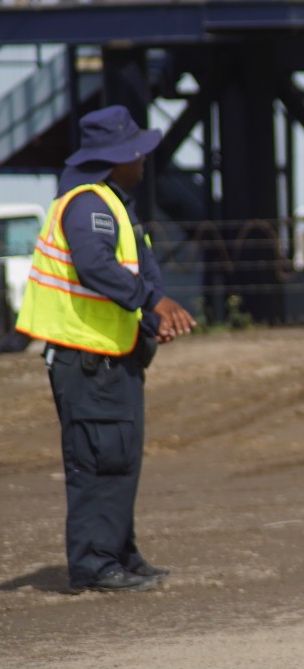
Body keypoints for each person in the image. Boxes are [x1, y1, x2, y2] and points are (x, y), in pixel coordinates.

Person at [15, 105, 196, 593]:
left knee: (119, 458)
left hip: (111, 356)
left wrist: (153, 317)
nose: (144, 163)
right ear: (117, 159)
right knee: (99, 460)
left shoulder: (112, 202)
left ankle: (118, 553)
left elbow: (135, 268)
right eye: (138, 154)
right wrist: (153, 300)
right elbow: (96, 267)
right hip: (87, 359)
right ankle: (94, 565)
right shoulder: (89, 204)